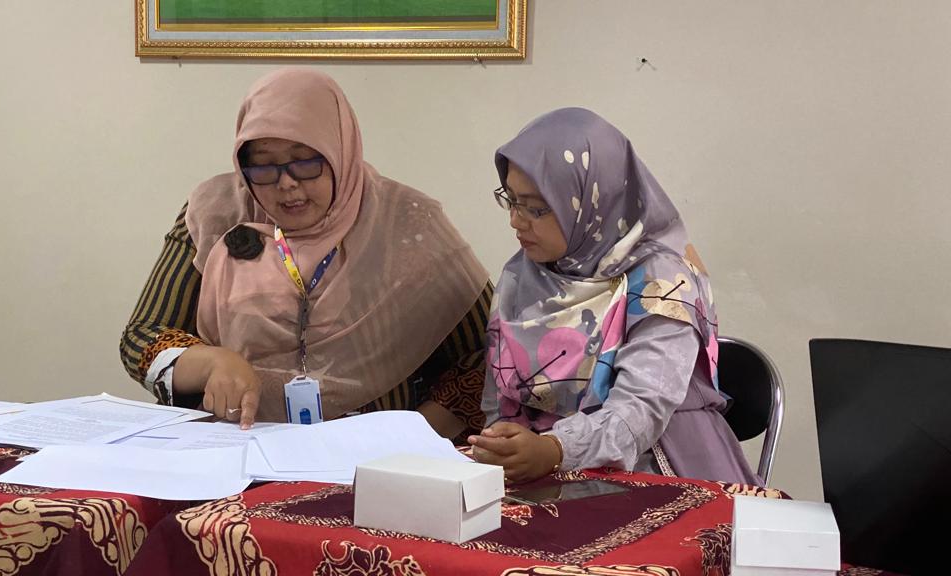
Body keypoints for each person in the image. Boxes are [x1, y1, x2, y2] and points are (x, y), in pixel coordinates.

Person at [120, 69, 491, 438]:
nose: (286, 183)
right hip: (239, 442)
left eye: (306, 162)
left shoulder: (406, 222)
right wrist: (212, 362)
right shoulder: (214, 213)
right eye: (264, 165)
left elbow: (490, 353)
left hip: (376, 452)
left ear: (340, 152)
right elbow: (142, 335)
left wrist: (412, 434)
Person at [470, 108, 760, 485]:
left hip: (654, 463)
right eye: (511, 199)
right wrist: (500, 446)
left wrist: (556, 449)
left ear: (593, 200)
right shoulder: (522, 274)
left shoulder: (662, 280)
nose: (515, 220)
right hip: (543, 468)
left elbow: (641, 408)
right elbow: (499, 396)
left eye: (537, 208)